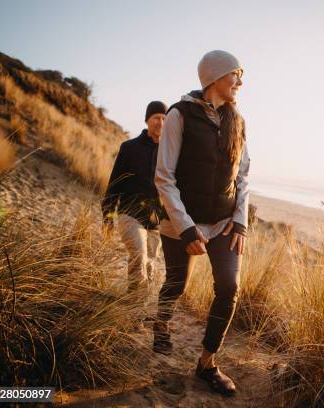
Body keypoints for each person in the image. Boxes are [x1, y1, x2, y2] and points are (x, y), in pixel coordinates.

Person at [153, 50, 250, 396]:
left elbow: (244, 176)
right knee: (177, 283)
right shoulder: (180, 115)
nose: (240, 82)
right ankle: (161, 323)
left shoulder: (238, 121)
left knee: (229, 287)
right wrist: (187, 228)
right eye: (235, 74)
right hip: (183, 222)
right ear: (214, 77)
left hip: (224, 223)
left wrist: (240, 221)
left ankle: (207, 363)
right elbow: (164, 178)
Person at [101, 101, 167, 303]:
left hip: (156, 221)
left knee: (150, 265)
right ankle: (134, 308)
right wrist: (108, 217)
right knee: (139, 257)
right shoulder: (129, 148)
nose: (161, 123)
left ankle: (140, 307)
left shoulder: (169, 153)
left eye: (165, 119)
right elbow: (115, 183)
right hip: (129, 214)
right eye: (156, 118)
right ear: (147, 119)